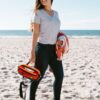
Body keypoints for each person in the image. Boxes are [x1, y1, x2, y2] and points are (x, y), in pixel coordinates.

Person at [29, 0, 64, 100]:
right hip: (42, 49)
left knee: (60, 76)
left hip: (55, 50)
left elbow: (56, 31)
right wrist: (32, 52)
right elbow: (35, 33)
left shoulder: (56, 13)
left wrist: (60, 41)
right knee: (37, 77)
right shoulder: (38, 13)